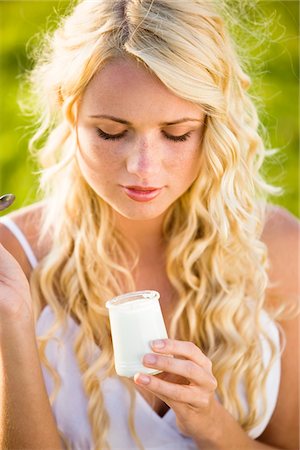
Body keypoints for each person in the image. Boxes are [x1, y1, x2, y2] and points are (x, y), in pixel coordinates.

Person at [0, 1, 298, 449]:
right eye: (111, 132)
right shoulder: (15, 257)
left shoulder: (280, 249)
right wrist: (13, 326)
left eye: (176, 133)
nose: (143, 167)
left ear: (213, 126)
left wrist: (212, 423)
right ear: (70, 115)